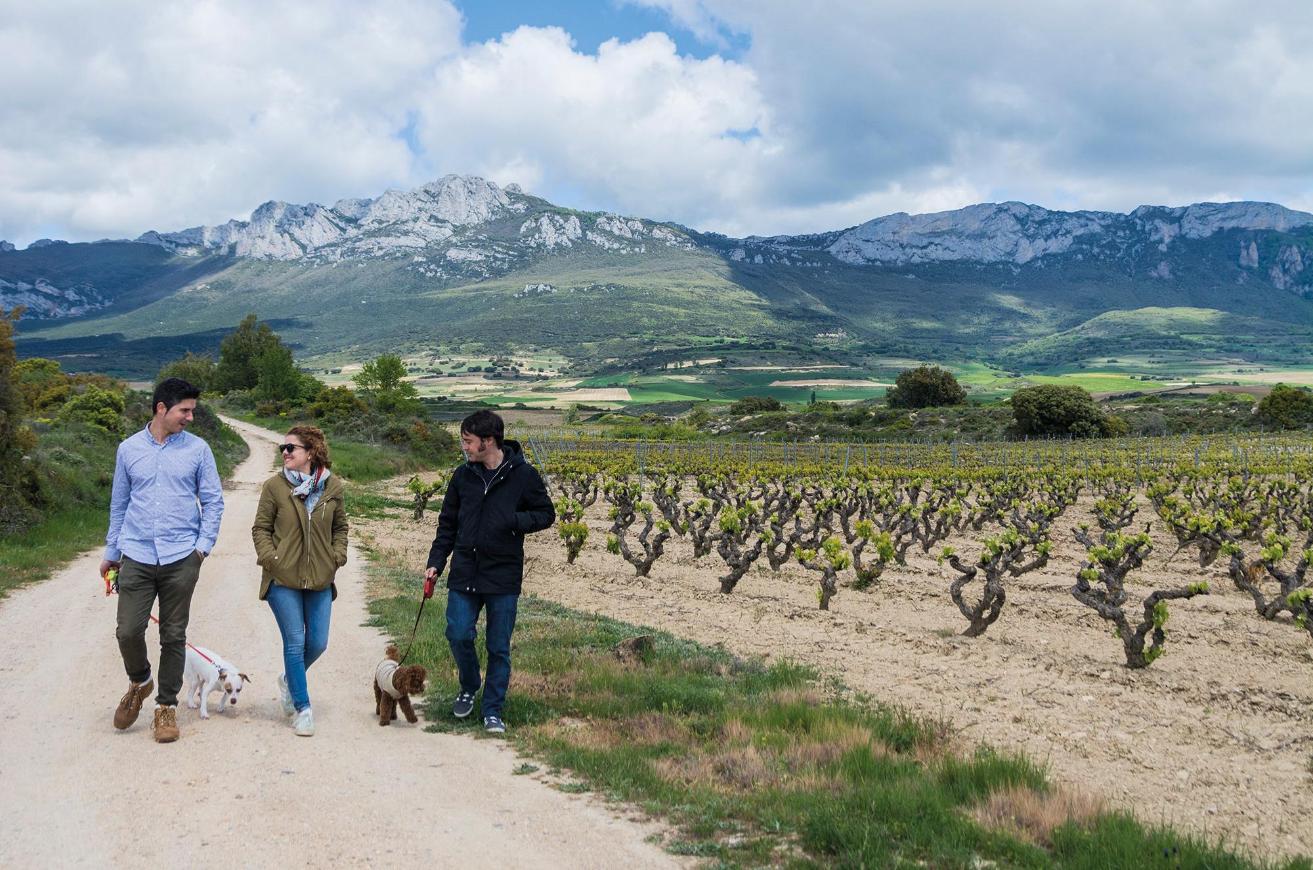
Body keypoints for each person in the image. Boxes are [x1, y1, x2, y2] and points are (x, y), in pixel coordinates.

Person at [101, 377, 224, 744]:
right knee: (127, 630)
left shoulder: (199, 450)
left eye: (192, 411)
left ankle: (165, 707)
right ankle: (140, 681)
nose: (190, 417)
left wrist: (201, 549)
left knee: (173, 635)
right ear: (161, 408)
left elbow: (214, 501)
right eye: (184, 410)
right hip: (135, 555)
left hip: (181, 556)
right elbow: (119, 504)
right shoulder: (128, 449)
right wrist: (111, 552)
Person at [424, 410, 555, 733]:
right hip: (465, 571)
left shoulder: (524, 476)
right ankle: (469, 685)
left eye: (468, 441)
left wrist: (514, 521)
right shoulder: (462, 476)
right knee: (457, 632)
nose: (464, 447)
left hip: (503, 575)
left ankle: (492, 710)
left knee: (498, 646)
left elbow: (546, 514)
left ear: (488, 441)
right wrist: (436, 562)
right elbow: (447, 525)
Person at [251, 425, 348, 737]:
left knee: (317, 643)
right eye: (283, 448)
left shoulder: (332, 487)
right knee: (295, 641)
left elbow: (341, 527)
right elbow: (260, 528)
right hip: (283, 578)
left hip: (320, 577)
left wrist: (337, 556)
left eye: (291, 448)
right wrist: (272, 559)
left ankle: (288, 679)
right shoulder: (274, 487)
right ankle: (302, 709)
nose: (285, 453)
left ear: (312, 452)